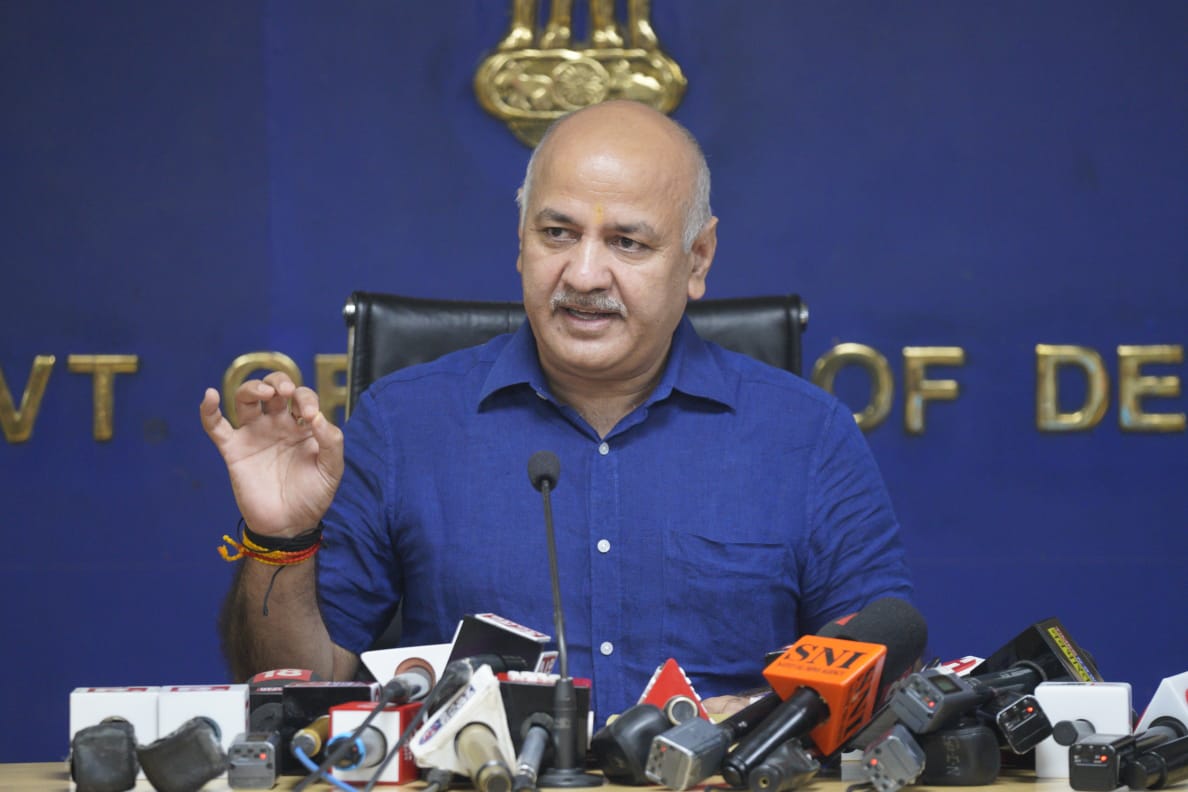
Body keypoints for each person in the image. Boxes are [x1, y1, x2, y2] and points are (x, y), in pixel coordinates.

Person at [200, 100, 912, 722]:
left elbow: (882, 679)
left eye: (627, 242)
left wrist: (762, 722)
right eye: (557, 234)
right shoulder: (402, 426)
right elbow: (294, 692)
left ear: (697, 259)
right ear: (520, 242)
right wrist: (281, 541)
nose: (584, 274)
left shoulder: (807, 438)